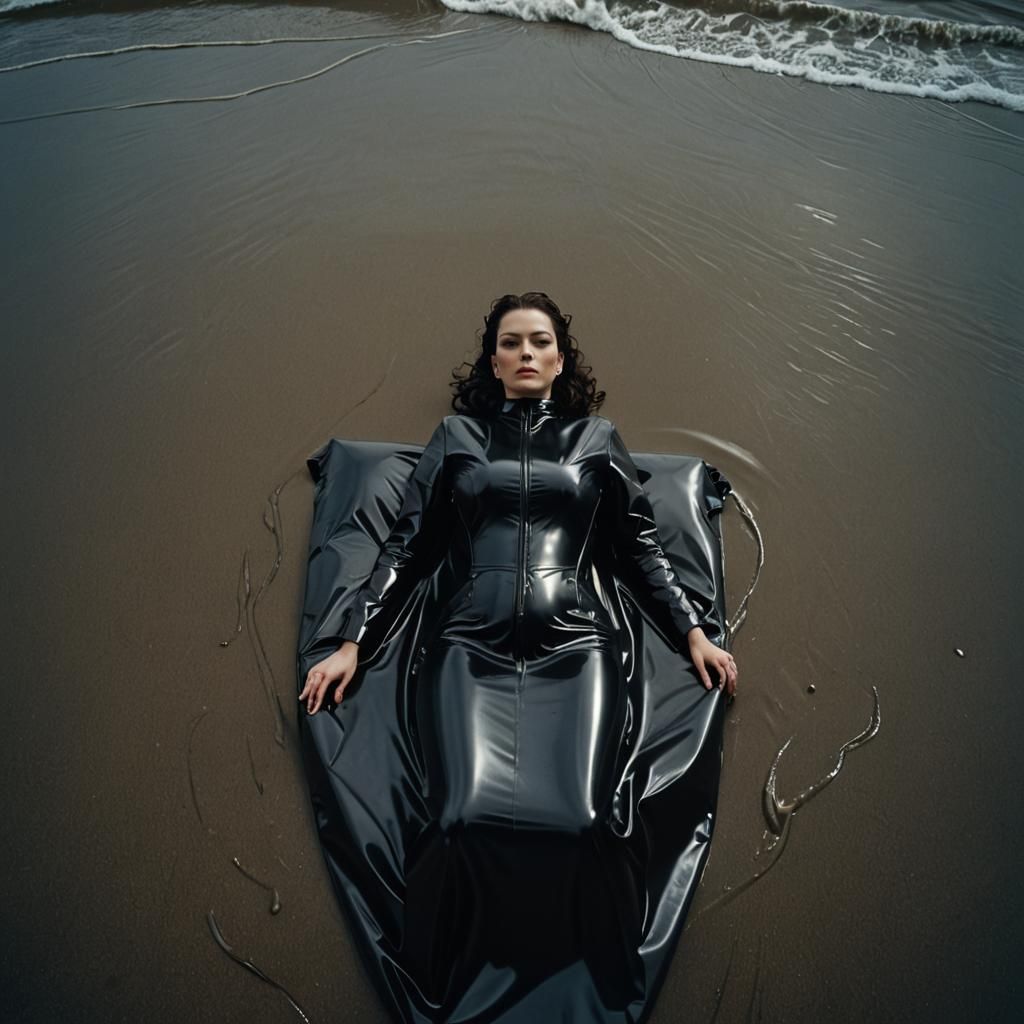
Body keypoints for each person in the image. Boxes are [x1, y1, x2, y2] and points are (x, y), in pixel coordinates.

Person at [299, 292, 738, 1023]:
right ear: (493, 361)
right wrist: (353, 642)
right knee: (455, 820)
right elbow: (408, 549)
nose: (526, 353)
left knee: (588, 821)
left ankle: (586, 996)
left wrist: (692, 630)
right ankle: (445, 991)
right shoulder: (456, 437)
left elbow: (638, 546)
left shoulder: (596, 438)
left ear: (561, 361)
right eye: (511, 343)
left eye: (540, 342)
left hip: (576, 646)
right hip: (468, 647)